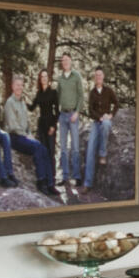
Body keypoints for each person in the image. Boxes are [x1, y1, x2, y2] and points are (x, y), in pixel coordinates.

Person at [3, 72, 54, 194]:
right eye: (17, 85)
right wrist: (28, 136)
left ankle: (50, 184)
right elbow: (13, 126)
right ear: (12, 86)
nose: (19, 87)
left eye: (21, 85)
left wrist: (29, 133)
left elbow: (26, 124)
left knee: (44, 149)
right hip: (14, 137)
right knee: (36, 147)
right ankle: (41, 181)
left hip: (24, 136)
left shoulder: (22, 102)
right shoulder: (9, 103)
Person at [53, 48, 88, 201]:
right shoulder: (60, 79)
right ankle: (65, 177)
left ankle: (77, 177)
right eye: (63, 60)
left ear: (71, 61)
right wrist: (57, 114)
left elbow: (81, 96)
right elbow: (58, 97)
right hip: (63, 115)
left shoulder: (76, 76)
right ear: (62, 63)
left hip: (73, 115)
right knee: (62, 147)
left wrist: (77, 112)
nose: (65, 62)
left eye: (67, 60)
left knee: (74, 147)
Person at [84, 64, 117, 192]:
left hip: (106, 122)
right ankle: (87, 184)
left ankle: (103, 154)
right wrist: (99, 117)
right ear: (94, 77)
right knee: (90, 149)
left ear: (103, 77)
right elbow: (90, 110)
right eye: (96, 75)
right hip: (96, 123)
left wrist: (110, 115)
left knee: (106, 125)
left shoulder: (108, 90)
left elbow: (117, 104)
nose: (98, 77)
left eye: (100, 75)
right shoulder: (92, 93)